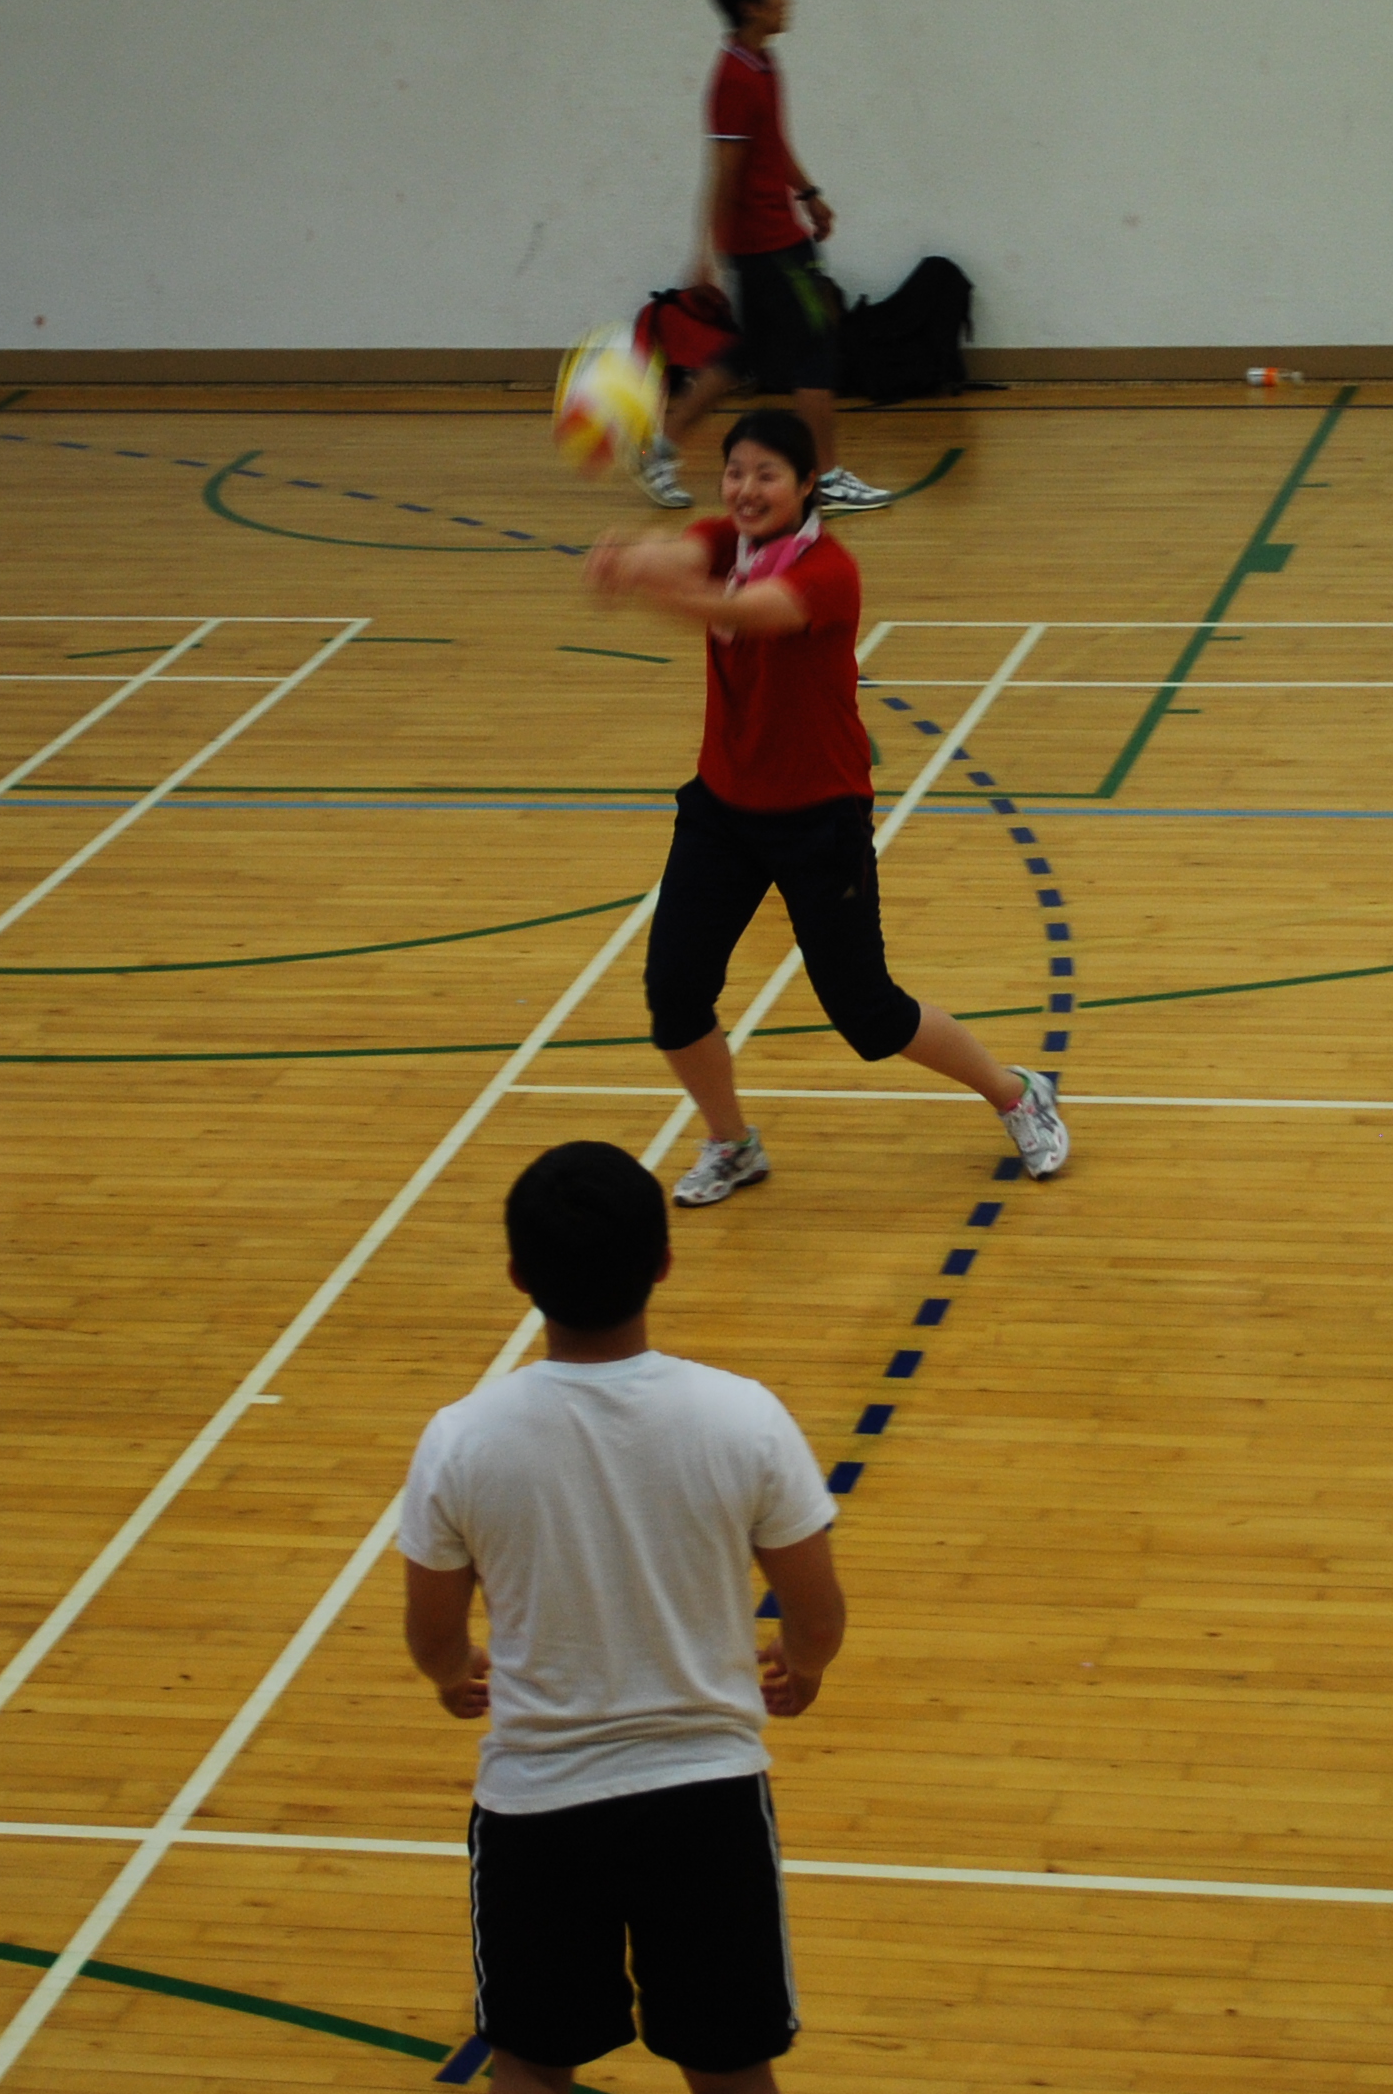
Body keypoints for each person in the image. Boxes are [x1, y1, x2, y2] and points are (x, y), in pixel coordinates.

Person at [399, 1141, 846, 2092]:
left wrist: (452, 1677)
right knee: (730, 2067)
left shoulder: (461, 1438)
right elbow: (817, 1616)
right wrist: (801, 1665)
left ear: (519, 1276)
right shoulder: (745, 1416)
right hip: (708, 1803)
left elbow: (433, 1636)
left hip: (538, 1808)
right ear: (664, 1263)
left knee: (530, 2063)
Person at [586, 408, 1067, 1205]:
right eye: (734, 471)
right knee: (674, 993)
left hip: (819, 817)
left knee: (867, 1013)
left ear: (809, 484)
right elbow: (680, 552)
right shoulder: (723, 540)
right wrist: (628, 554)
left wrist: (643, 587)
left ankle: (1017, 1093)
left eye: (767, 474)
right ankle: (732, 1144)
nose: (746, 489)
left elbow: (742, 614)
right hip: (722, 808)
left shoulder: (829, 574)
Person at [635, 0, 892, 521]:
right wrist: (706, 253)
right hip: (765, 245)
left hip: (775, 233)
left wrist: (807, 192)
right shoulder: (733, 79)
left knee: (746, 354)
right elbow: (724, 172)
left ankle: (659, 448)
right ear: (751, 5)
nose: (786, 3)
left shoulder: (762, 64)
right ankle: (825, 478)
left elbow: (772, 144)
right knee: (816, 346)